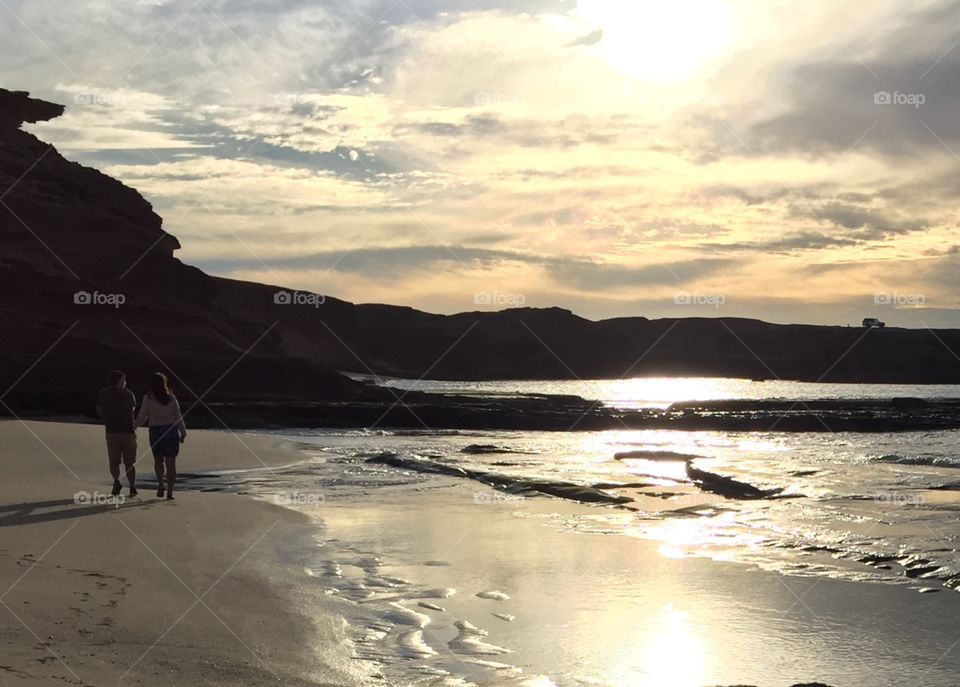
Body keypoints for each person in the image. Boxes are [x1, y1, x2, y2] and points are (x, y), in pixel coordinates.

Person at [135, 372, 187, 500]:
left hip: (156, 431)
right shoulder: (171, 397)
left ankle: (160, 484)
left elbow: (143, 416)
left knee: (158, 461)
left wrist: (134, 425)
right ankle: (170, 493)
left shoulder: (148, 398)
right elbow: (178, 416)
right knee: (171, 463)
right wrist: (183, 432)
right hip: (171, 431)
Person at [96, 370, 138, 497]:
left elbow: (99, 410)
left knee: (114, 460)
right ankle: (132, 486)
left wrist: (108, 418)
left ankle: (116, 481)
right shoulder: (129, 394)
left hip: (111, 430)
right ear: (120, 381)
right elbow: (133, 409)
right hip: (128, 431)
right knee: (129, 461)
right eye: (124, 380)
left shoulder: (103, 393)